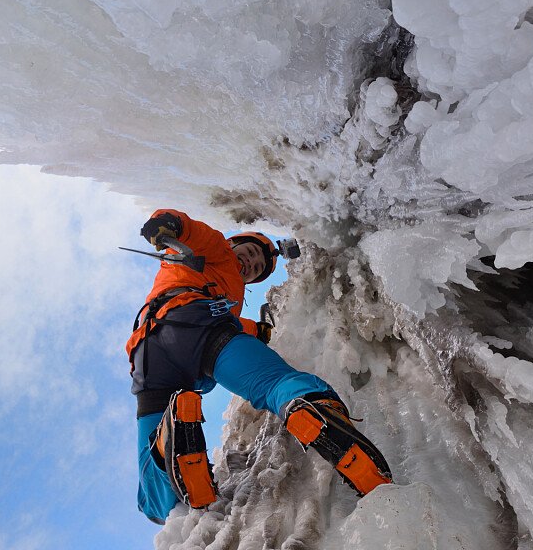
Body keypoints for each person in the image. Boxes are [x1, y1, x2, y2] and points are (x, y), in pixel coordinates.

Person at [128, 209, 392, 525]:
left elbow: (228, 319)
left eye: (255, 269)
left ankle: (167, 439)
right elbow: (199, 234)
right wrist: (171, 223)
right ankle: (310, 409)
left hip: (149, 353)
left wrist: (257, 330)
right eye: (250, 252)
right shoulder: (218, 252)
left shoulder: (220, 286)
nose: (250, 264)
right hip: (199, 326)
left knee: (161, 503)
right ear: (234, 243)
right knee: (274, 384)